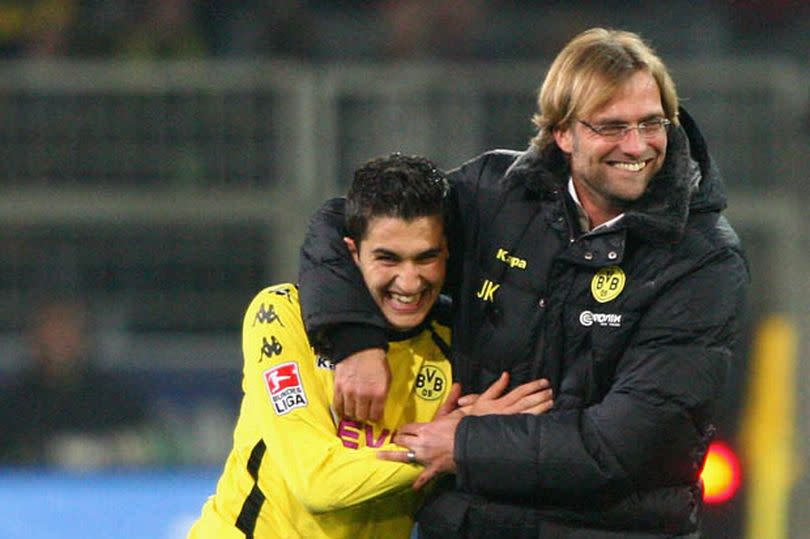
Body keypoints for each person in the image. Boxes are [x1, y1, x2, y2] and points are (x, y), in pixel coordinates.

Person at [297, 28, 749, 537]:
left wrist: (465, 443)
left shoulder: (702, 258)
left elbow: (627, 444)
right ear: (563, 134)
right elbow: (346, 223)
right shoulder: (498, 194)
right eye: (612, 127)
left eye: (652, 123)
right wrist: (355, 338)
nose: (638, 146)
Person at [188, 153, 553, 539]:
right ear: (352, 252)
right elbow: (317, 482)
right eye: (387, 259)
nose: (409, 282)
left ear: (447, 253)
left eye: (426, 258)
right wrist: (452, 443)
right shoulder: (281, 316)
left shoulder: (456, 347)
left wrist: (467, 443)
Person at [0, 298, 153, 468]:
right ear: (34, 340)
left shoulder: (115, 397)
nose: (58, 341)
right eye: (51, 331)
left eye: (66, 330)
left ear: (83, 338)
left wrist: (105, 452)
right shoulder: (13, 403)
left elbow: (147, 444)